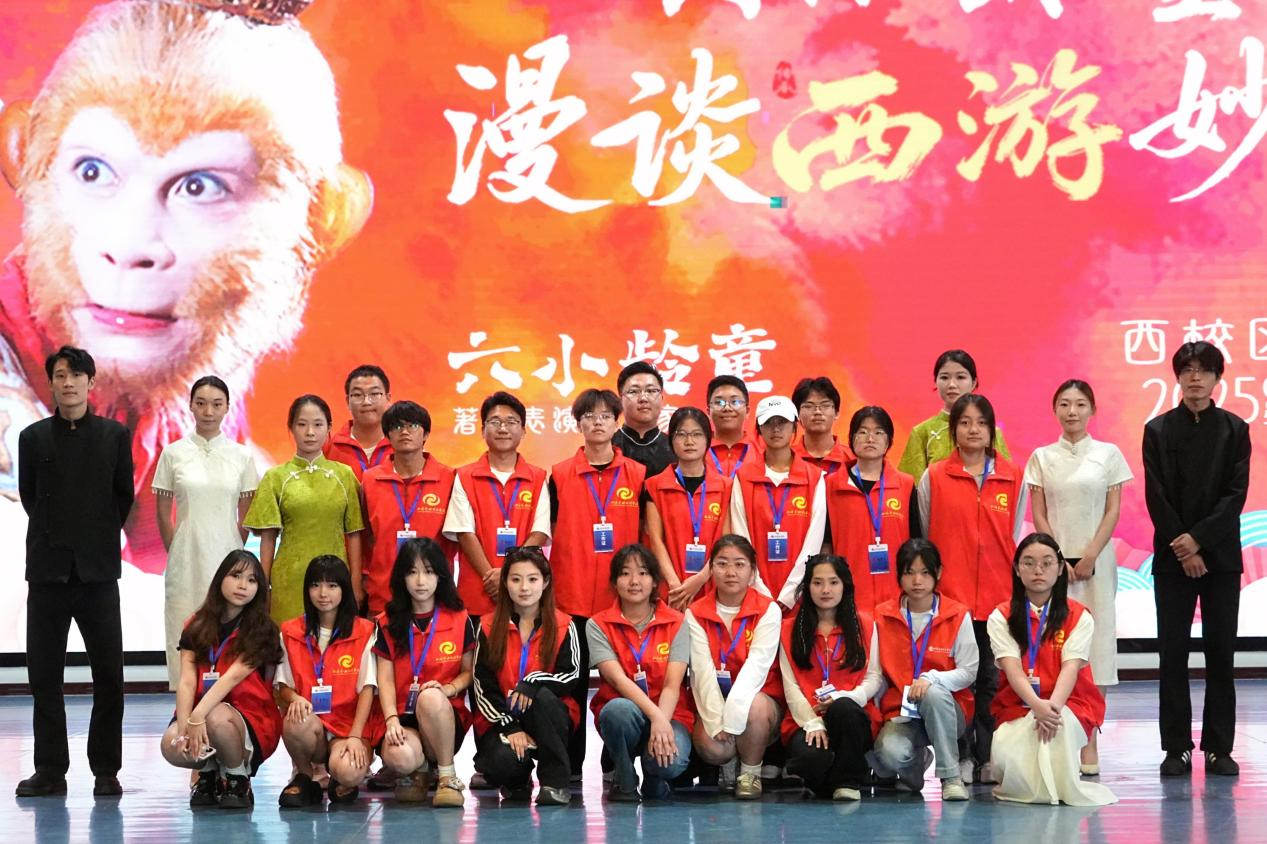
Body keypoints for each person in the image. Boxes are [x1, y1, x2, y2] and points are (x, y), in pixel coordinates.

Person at [0, 0, 371, 581]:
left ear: (322, 222)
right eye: (92, 171)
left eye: (201, 186)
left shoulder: (204, 404)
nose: (128, 244)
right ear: (25, 160)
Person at [16, 346, 134, 798]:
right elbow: (30, 497)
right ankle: (50, 769)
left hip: (98, 573)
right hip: (47, 572)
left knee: (109, 675)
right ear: (50, 383)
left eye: (77, 375)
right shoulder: (32, 438)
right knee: (45, 677)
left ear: (91, 382)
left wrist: (93, 536)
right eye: (61, 376)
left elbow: (122, 497)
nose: (68, 383)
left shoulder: (113, 436)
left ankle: (106, 769)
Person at [1143, 341, 1251, 777]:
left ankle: (1218, 748)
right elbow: (1156, 495)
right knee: (1173, 654)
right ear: (1177, 376)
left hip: (1220, 558)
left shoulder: (1235, 429)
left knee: (1220, 653)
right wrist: (1183, 545)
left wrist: (1200, 542)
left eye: (1204, 370)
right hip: (1173, 559)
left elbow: (1235, 495)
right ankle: (1176, 747)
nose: (1195, 378)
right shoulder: (1158, 430)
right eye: (1187, 370)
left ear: (1217, 378)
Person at [917, 392, 1025, 782]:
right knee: (956, 679)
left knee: (992, 682)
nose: (973, 429)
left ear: (992, 430)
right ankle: (961, 755)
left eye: (981, 422)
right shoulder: (934, 477)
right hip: (952, 599)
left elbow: (1014, 534)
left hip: (998, 597)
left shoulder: (1013, 475)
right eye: (964, 422)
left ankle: (988, 756)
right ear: (953, 430)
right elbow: (926, 532)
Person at [1026, 379, 1132, 775]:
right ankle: (1054, 732)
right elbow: (1039, 513)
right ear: (1055, 409)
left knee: (1096, 646)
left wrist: (1089, 555)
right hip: (1051, 567)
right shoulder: (1042, 457)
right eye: (1065, 404)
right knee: (1055, 644)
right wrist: (1055, 559)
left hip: (1096, 564)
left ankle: (1089, 736)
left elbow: (1112, 511)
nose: (1072, 411)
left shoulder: (1108, 455)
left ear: (1092, 410)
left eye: (1080, 404)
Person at [548, 388, 647, 773]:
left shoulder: (637, 475)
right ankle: (570, 765)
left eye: (606, 416)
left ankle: (616, 759)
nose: (597, 422)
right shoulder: (559, 475)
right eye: (589, 416)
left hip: (622, 600)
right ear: (578, 424)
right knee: (571, 684)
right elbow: (548, 529)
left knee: (621, 680)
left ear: (616, 423)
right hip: (570, 598)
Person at [988, 533, 1116, 806]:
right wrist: (1037, 706)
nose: (1038, 570)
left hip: (1069, 703)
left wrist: (1051, 710)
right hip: (1017, 704)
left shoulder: (1079, 616)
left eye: (1047, 563)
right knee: (1012, 757)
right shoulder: (1000, 616)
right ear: (1016, 569)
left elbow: (1071, 669)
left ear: (1060, 569)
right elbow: (1012, 669)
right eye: (1029, 563)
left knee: (1052, 742)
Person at [154, 376, 259, 690]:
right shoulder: (173, 453)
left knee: (226, 631)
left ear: (227, 407)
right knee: (183, 629)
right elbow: (163, 513)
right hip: (185, 559)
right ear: (190, 406)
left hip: (227, 559)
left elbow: (246, 515)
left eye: (216, 404)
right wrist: (178, 548)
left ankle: (225, 704)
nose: (208, 411)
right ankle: (183, 705)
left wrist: (232, 552)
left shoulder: (242, 456)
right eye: (201, 403)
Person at [159, 550, 284, 810]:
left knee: (216, 717)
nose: (243, 585)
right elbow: (187, 682)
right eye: (236, 575)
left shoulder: (262, 630)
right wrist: (184, 728)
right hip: (201, 712)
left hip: (250, 717)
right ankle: (208, 772)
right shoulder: (195, 624)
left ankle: (237, 777)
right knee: (170, 745)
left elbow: (232, 677)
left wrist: (197, 717)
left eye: (251, 580)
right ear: (220, 579)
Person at [471, 547, 583, 806]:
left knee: (542, 697)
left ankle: (554, 783)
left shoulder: (565, 625)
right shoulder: (487, 626)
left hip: (549, 717)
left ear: (545, 582)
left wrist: (532, 682)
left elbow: (572, 675)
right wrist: (510, 726)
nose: (524, 588)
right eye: (515, 579)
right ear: (505, 583)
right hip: (504, 719)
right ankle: (518, 782)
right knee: (501, 762)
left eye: (532, 579)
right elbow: (482, 685)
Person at [868, 539, 977, 802]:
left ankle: (951, 777)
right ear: (899, 575)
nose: (917, 581)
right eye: (909, 572)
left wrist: (932, 678)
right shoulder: (882, 616)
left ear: (938, 573)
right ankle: (915, 766)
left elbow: (969, 671)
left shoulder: (957, 614)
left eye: (925, 572)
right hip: (902, 712)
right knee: (888, 754)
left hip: (949, 711)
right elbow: (876, 674)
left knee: (934, 693)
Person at [243, 395, 365, 624]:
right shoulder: (275, 477)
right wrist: (263, 586)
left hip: (335, 581)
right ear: (291, 428)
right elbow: (268, 538)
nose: (310, 432)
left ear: (329, 428)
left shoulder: (345, 475)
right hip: (289, 581)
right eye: (302, 424)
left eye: (318, 424)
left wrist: (355, 584)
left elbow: (355, 534)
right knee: (288, 642)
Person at [374, 538, 476, 808]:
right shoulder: (385, 622)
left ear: (440, 575)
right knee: (398, 757)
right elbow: (385, 679)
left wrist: (448, 689)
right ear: (401, 577)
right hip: (402, 715)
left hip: (442, 713)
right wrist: (391, 720)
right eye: (412, 572)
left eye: (429, 572)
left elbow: (469, 672)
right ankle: (419, 770)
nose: (421, 581)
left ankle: (446, 775)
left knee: (429, 697)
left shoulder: (459, 618)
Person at [588, 544, 694, 802]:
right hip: (627, 714)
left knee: (670, 762)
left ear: (655, 581)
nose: (634, 581)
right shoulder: (597, 624)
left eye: (643, 573)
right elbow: (617, 680)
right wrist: (655, 717)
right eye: (625, 573)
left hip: (670, 713)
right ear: (614, 582)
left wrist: (661, 722)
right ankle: (624, 776)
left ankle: (654, 776)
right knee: (616, 711)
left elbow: (672, 685)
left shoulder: (677, 622)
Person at [276, 556, 381, 808]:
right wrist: (295, 698)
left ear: (344, 589)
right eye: (315, 585)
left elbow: (368, 688)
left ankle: (340, 776)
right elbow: (282, 686)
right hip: (312, 724)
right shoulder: (290, 631)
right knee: (294, 718)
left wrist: (355, 736)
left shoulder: (365, 631)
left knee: (349, 772)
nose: (323, 594)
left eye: (332, 586)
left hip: (348, 726)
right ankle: (304, 775)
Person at [685, 535, 783, 801]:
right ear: (711, 569)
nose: (730, 572)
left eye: (739, 564)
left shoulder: (768, 610)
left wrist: (732, 715)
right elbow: (702, 672)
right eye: (722, 564)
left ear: (752, 572)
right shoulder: (695, 612)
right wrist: (717, 720)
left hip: (758, 702)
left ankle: (750, 772)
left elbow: (757, 667)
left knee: (755, 707)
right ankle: (728, 763)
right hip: (715, 698)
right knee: (712, 747)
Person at [778, 554, 881, 801]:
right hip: (806, 719)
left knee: (844, 709)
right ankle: (829, 777)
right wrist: (813, 722)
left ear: (845, 585)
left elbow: (874, 677)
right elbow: (790, 686)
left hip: (852, 715)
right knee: (811, 759)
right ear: (807, 587)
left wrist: (847, 697)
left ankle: (847, 783)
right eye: (817, 583)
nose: (826, 590)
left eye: (833, 582)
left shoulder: (865, 625)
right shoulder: (788, 630)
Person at [443, 391, 550, 619]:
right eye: (495, 422)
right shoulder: (464, 476)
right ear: (483, 430)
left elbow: (539, 532)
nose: (503, 428)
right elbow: (464, 532)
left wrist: (509, 575)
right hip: (478, 591)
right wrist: (493, 578)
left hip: (523, 594)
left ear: (523, 430)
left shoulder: (538, 477)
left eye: (511, 422)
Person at [730, 395, 826, 611]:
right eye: (768, 423)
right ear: (759, 429)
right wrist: (758, 588)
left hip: (801, 595)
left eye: (782, 422)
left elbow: (814, 540)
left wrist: (791, 593)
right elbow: (740, 535)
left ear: (794, 426)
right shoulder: (743, 477)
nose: (776, 429)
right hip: (754, 591)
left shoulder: (814, 477)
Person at [360, 400, 455, 616]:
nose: (404, 432)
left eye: (412, 425)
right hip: (383, 592)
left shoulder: (449, 478)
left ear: (426, 433)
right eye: (397, 426)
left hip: (435, 593)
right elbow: (365, 536)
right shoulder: (370, 480)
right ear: (387, 435)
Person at [825, 406, 919, 615]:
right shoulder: (831, 485)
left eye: (878, 432)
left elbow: (916, 540)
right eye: (863, 432)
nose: (870, 438)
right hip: (848, 595)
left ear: (889, 442)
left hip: (897, 595)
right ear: (851, 439)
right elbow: (825, 543)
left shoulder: (905, 485)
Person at [644, 406, 733, 611]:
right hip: (670, 589)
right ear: (671, 440)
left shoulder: (725, 487)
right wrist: (675, 585)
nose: (689, 441)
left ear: (708, 439)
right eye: (681, 434)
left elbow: (726, 541)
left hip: (713, 584)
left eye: (697, 434)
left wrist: (700, 579)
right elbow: (655, 540)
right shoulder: (654, 486)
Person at [898, 350, 1010, 481]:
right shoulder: (922, 432)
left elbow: (1007, 480)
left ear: (974, 382)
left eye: (960, 377)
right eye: (944, 377)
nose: (951, 384)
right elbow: (910, 485)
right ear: (935, 382)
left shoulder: (990, 431)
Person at [325, 365, 393, 481]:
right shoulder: (329, 449)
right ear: (348, 401)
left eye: (374, 394)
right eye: (357, 395)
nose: (366, 402)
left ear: (388, 399)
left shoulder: (404, 446)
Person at [611, 362, 675, 480]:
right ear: (620, 400)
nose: (643, 398)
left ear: (661, 398)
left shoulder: (676, 448)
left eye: (650, 391)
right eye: (633, 391)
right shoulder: (607, 447)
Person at [792, 377, 850, 475]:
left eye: (825, 405)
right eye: (809, 406)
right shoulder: (787, 459)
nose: (817, 412)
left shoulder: (853, 460)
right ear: (797, 414)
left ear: (836, 413)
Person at [707, 375, 760, 479]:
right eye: (719, 402)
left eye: (735, 402)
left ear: (747, 411)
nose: (727, 408)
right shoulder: (697, 449)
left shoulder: (761, 450)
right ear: (709, 411)